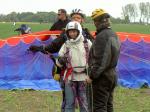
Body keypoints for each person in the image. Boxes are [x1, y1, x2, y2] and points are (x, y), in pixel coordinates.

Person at [86, 9, 121, 112]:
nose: (94, 23)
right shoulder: (113, 34)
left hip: (102, 77)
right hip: (112, 75)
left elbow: (100, 61)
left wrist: (92, 76)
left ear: (98, 21)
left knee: (99, 107)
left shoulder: (102, 36)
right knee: (108, 105)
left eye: (94, 21)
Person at [56, 21, 92, 112]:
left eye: (74, 31)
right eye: (70, 32)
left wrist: (91, 75)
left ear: (78, 31)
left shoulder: (87, 44)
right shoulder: (66, 44)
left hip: (84, 79)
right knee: (69, 103)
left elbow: (94, 59)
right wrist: (60, 61)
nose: (72, 33)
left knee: (84, 104)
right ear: (67, 33)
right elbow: (58, 62)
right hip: (70, 78)